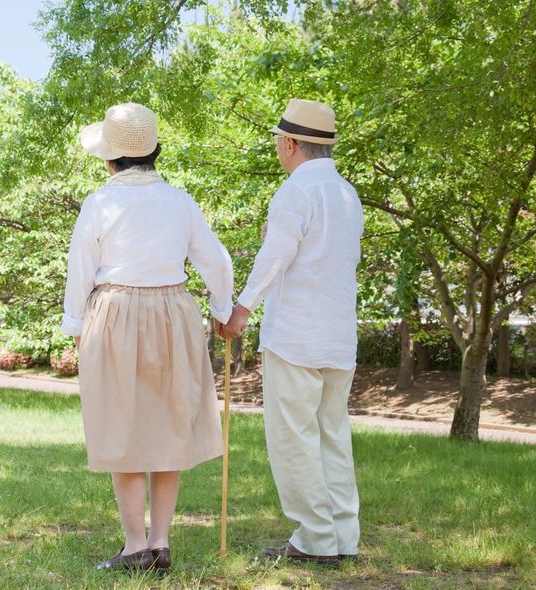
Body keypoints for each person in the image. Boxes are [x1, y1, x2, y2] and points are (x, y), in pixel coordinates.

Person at [61, 102, 234, 572]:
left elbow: (80, 270)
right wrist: (223, 310)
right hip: (172, 311)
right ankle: (159, 542)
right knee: (168, 424)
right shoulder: (180, 201)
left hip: (115, 311)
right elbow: (217, 262)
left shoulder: (101, 202)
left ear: (109, 158)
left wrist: (74, 327)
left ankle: (137, 544)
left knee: (123, 426)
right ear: (154, 151)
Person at [218, 98, 364, 567]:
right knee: (332, 435)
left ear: (291, 144)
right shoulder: (347, 194)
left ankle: (317, 538)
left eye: (280, 142)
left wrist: (241, 309)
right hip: (338, 336)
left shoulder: (296, 192)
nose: (279, 149)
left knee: (294, 437)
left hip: (297, 335)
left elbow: (275, 256)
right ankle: (344, 534)